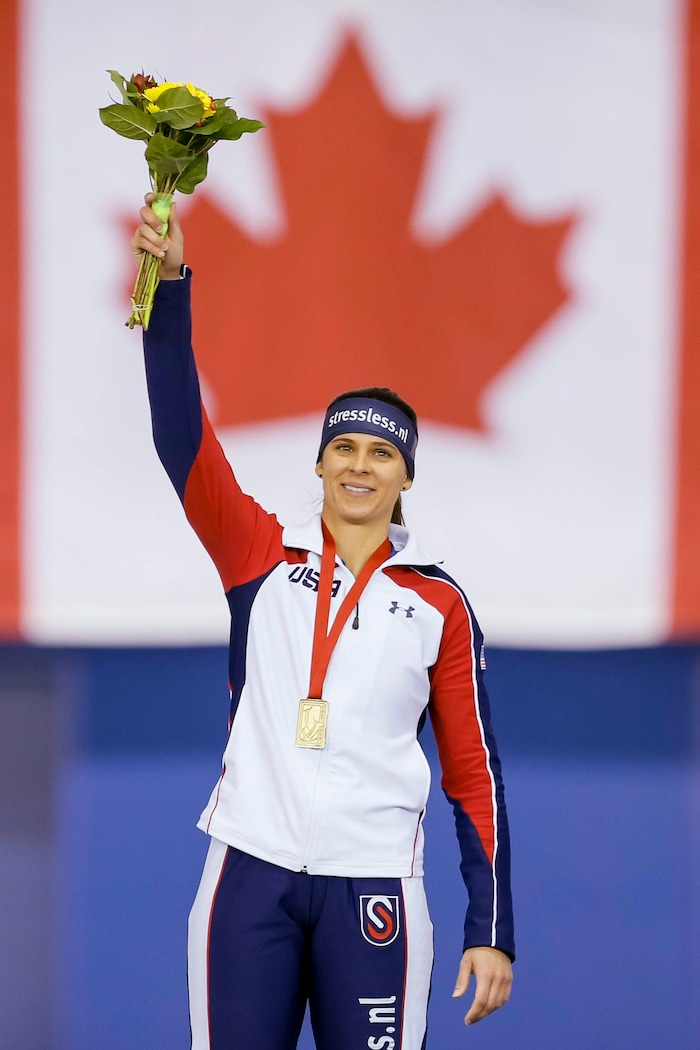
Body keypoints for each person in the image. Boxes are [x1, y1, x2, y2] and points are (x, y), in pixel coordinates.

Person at [131, 194, 514, 1050]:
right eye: (345, 446)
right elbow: (179, 436)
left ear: (404, 478)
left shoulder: (438, 603)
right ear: (320, 461)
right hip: (248, 873)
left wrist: (490, 926)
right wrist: (169, 283)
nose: (359, 465)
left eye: (382, 453)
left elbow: (473, 774)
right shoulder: (258, 557)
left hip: (373, 888)